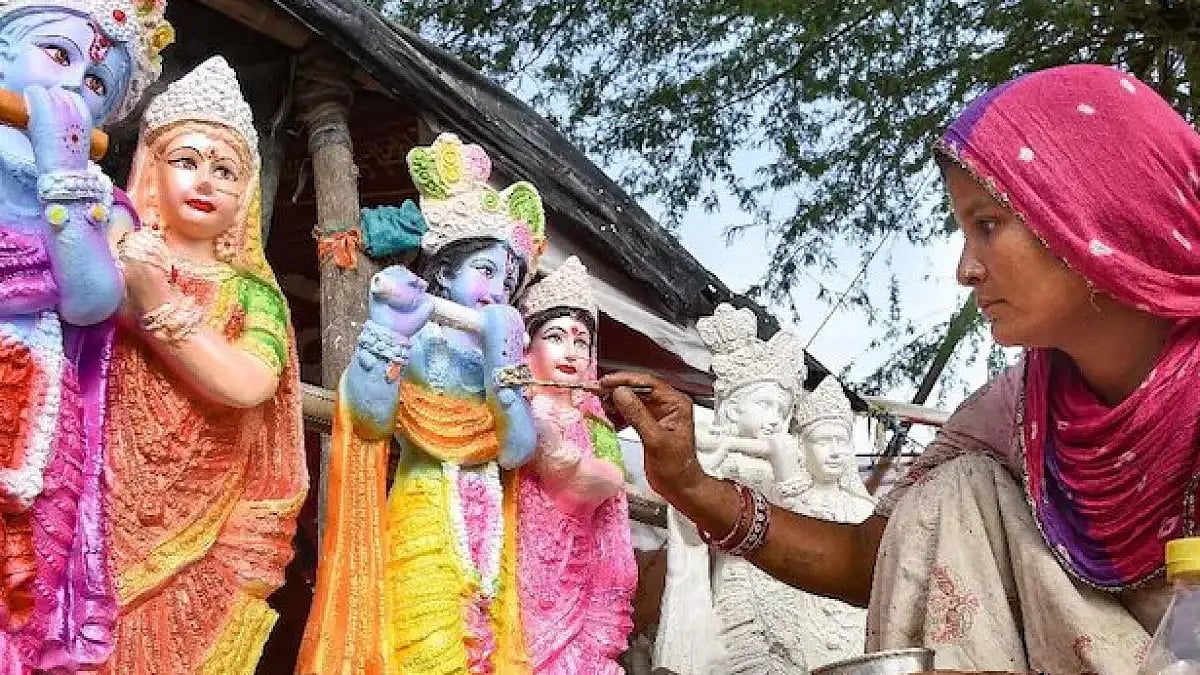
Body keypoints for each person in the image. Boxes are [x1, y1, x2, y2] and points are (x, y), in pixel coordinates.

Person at [604, 63, 1196, 673]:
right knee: (953, 492)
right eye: (964, 231)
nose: (965, 269)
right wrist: (693, 488)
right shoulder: (1017, 416)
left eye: (988, 226)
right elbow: (875, 557)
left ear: (1092, 210)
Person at [298, 132, 545, 674]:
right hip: (422, 513)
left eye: (507, 280)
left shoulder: (501, 353)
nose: (498, 290)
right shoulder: (423, 336)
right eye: (484, 270)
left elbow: (518, 450)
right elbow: (369, 418)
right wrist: (388, 333)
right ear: (444, 273)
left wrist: (504, 370)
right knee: (425, 651)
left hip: (493, 539)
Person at [103, 56, 308, 674]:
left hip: (208, 517)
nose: (207, 181)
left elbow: (249, 383)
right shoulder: (113, 249)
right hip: (98, 494)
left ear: (245, 196)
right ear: (149, 167)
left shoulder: (254, 293)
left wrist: (158, 300)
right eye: (187, 160)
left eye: (226, 171)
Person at [0, 0, 171, 669]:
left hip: (43, 426)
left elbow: (93, 296)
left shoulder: (99, 198)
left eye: (97, 83)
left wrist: (64, 176)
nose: (74, 86)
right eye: (58, 55)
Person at [516, 255, 637, 674]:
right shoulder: (514, 408)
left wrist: (573, 470)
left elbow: (609, 483)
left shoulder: (596, 426)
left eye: (581, 341)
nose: (571, 352)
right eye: (555, 336)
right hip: (518, 554)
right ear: (527, 346)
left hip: (578, 569)